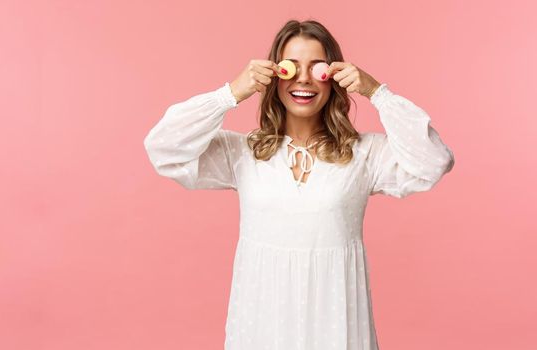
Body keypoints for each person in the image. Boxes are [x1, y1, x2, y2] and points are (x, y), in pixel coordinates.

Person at [142, 19, 454, 350]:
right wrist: (230, 94)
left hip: (337, 325)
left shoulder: (365, 154)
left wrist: (378, 92)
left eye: (316, 67)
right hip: (261, 325)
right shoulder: (244, 152)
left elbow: (434, 161)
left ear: (334, 78)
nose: (303, 78)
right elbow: (163, 148)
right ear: (274, 76)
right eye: (292, 67)